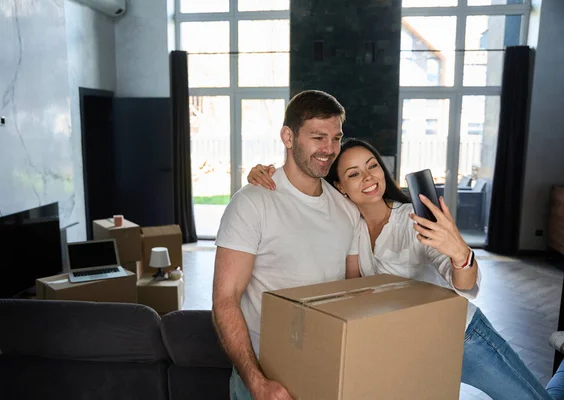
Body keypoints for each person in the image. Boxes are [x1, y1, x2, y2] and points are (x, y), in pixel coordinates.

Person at [247, 137, 555, 400]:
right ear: (339, 186)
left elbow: (464, 286)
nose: (368, 177)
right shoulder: (342, 226)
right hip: (406, 347)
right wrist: (266, 174)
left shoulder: (413, 220)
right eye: (354, 174)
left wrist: (460, 253)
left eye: (372, 166)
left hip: (463, 337)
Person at [212, 90, 361, 400]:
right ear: (288, 137)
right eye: (318, 137)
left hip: (324, 369)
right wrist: (256, 382)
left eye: (336, 138)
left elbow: (352, 291)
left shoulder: (346, 210)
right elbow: (225, 299)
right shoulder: (252, 203)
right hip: (264, 376)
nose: (329, 149)